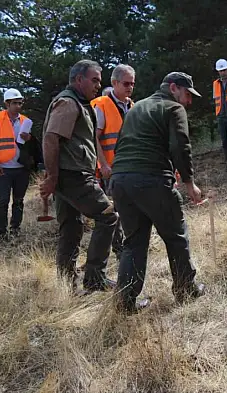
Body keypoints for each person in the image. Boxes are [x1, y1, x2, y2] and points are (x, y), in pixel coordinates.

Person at [111, 72, 206, 313]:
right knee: (176, 236)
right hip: (150, 179)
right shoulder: (173, 109)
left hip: (121, 181)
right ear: (173, 88)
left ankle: (125, 302)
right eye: (186, 94)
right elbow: (180, 146)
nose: (188, 101)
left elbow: (122, 143)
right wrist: (189, 183)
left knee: (133, 243)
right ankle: (186, 289)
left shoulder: (136, 107)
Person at [40, 59, 118, 293]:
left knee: (72, 228)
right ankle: (94, 278)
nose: (98, 85)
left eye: (99, 81)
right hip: (72, 176)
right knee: (109, 216)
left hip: (69, 174)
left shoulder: (80, 103)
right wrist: (52, 177)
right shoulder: (68, 103)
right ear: (78, 79)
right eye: (94, 80)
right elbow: (51, 138)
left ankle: (68, 286)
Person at [91, 64, 134, 260]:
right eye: (126, 83)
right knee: (113, 210)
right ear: (114, 82)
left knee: (128, 208)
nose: (130, 87)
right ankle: (117, 249)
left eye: (132, 84)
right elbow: (94, 138)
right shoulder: (101, 105)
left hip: (130, 168)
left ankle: (125, 245)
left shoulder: (132, 106)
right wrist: (103, 165)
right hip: (111, 169)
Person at [0, 88, 33, 242]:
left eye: (20, 103)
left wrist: (29, 138)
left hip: (21, 169)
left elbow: (30, 145)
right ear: (7, 103)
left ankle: (15, 230)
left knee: (19, 201)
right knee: (3, 201)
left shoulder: (25, 121)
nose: (18, 106)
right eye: (15, 103)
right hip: (4, 168)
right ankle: (2, 233)